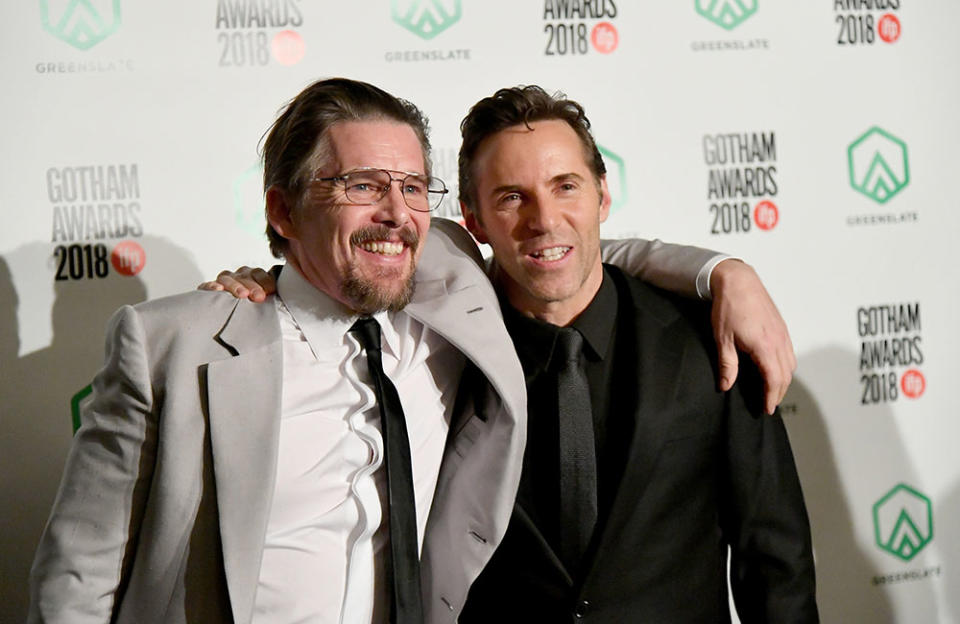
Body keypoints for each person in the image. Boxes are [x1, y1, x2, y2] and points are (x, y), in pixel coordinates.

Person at [31, 77, 794, 624]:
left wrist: (722, 269)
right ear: (281, 208)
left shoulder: (449, 298)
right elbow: (79, 576)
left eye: (409, 185)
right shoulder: (179, 343)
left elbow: (559, 248)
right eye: (361, 184)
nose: (395, 211)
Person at [452, 86, 818, 621]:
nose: (544, 219)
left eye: (565, 187)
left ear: (602, 195)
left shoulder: (711, 339)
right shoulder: (439, 354)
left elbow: (775, 561)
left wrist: (725, 270)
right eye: (512, 197)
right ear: (473, 219)